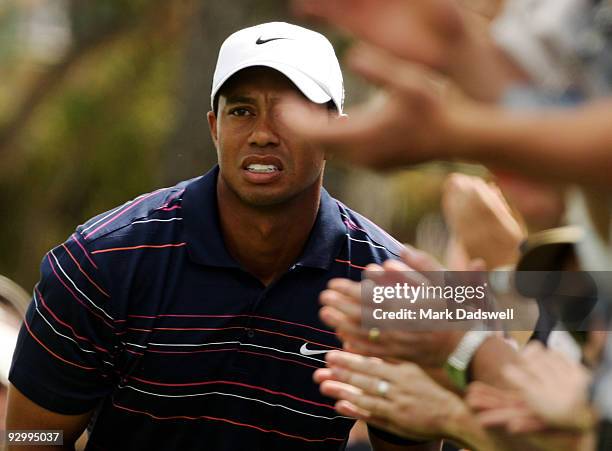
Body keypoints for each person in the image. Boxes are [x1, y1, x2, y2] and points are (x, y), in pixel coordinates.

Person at [6, 22, 436, 451]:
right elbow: (28, 437)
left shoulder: (390, 287)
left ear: (334, 132)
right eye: (241, 111)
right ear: (215, 127)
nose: (263, 134)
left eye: (289, 111)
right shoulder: (100, 262)